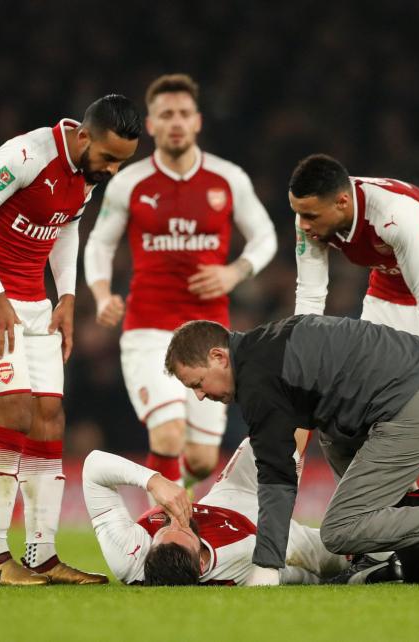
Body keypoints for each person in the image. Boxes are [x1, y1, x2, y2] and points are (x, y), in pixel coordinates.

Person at [0, 95, 142, 586]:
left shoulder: (87, 178)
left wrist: (68, 297)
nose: (113, 170)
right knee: (14, 413)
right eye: (108, 158)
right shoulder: (26, 156)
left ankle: (41, 555)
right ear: (83, 137)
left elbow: (67, 228)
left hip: (35, 302)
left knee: (50, 418)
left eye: (121, 162)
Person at [164, 317, 419, 586]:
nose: (199, 395)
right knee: (332, 433)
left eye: (197, 383)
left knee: (339, 530)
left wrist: (267, 565)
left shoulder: (257, 381)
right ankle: (379, 553)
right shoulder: (267, 343)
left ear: (219, 356)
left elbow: (276, 479)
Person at [84, 74, 276, 489]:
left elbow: (265, 237)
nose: (176, 122)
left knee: (203, 460)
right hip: (148, 328)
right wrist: (101, 294)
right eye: (166, 114)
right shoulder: (130, 183)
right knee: (168, 435)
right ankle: (166, 537)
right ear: (150, 125)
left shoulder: (228, 179)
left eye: (183, 114)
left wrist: (234, 272)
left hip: (210, 336)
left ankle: (169, 502)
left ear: (198, 122)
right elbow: (99, 243)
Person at [291, 154, 419, 480]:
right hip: (389, 289)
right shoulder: (311, 221)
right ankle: (397, 515)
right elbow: (310, 297)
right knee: (371, 411)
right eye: (298, 213)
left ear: (342, 202)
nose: (303, 224)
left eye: (310, 215)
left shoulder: (395, 215)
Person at [83, 438, 361, 586]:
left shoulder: (129, 555)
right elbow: (287, 574)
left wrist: (152, 481)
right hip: (269, 531)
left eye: (166, 531)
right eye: (185, 534)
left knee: (272, 430)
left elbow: (93, 466)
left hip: (227, 496)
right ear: (202, 563)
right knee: (349, 549)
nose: (178, 521)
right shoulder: (236, 561)